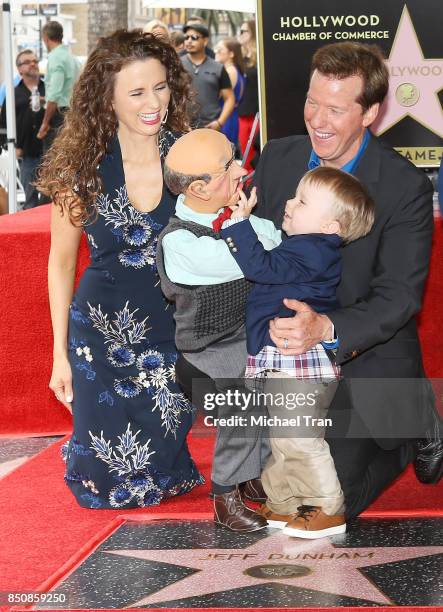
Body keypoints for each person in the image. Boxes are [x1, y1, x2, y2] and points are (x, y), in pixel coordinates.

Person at [176, 41, 442, 521]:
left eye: (336, 109)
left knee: (319, 496)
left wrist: (324, 329)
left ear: (370, 113)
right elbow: (234, 224)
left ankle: (414, 419)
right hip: (277, 351)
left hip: (360, 353)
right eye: (312, 102)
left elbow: (398, 297)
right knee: (271, 462)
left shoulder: (404, 187)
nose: (318, 119)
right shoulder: (279, 157)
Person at [36, 29, 204, 510]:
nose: (154, 102)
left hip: (174, 332)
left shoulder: (191, 155)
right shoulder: (81, 168)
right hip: (100, 335)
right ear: (106, 100)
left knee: (163, 469)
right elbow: (61, 262)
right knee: (107, 479)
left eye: (161, 87)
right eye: (136, 92)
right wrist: (59, 353)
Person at [220, 165, 375, 538]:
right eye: (294, 196)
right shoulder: (306, 246)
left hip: (297, 365)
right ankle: (286, 500)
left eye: (302, 201)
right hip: (283, 359)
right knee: (283, 437)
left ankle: (327, 506)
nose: (289, 203)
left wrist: (240, 223)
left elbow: (261, 266)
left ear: (330, 227)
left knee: (301, 438)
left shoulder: (314, 252)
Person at [157, 129, 283, 532]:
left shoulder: (234, 218)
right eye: (229, 168)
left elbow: (272, 239)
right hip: (206, 350)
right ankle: (225, 492)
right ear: (199, 187)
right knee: (244, 402)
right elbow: (253, 256)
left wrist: (248, 229)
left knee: (273, 391)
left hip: (248, 338)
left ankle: (255, 476)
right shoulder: (178, 241)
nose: (243, 170)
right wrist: (248, 230)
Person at [0, 49, 45, 209]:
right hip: (28, 155)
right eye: (27, 62)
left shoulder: (49, 89)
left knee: (52, 201)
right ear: (19, 69)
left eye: (35, 61)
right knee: (30, 201)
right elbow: (3, 123)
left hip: (52, 153)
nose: (33, 64)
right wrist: (10, 146)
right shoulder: (13, 94)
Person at [181, 23, 235, 131]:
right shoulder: (177, 64)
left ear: (205, 41)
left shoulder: (218, 68)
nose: (189, 41)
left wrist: (219, 122)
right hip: (182, 127)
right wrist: (178, 121)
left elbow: (229, 98)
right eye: (186, 37)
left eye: (194, 37)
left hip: (210, 127)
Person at [36, 21, 81, 151]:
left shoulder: (56, 58)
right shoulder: (71, 57)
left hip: (58, 117)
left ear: (45, 38)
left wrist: (45, 123)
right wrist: (45, 98)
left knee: (53, 161)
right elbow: (70, 89)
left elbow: (55, 95)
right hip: (72, 113)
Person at [214, 38, 245, 150]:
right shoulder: (234, 70)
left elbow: (216, 96)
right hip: (231, 117)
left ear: (231, 54)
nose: (216, 51)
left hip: (225, 118)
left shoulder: (229, 71)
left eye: (220, 49)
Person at [238, 19, 259, 171]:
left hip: (258, 113)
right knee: (246, 154)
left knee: (255, 153)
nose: (240, 35)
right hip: (244, 112)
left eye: (244, 31)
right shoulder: (242, 58)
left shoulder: (260, 56)